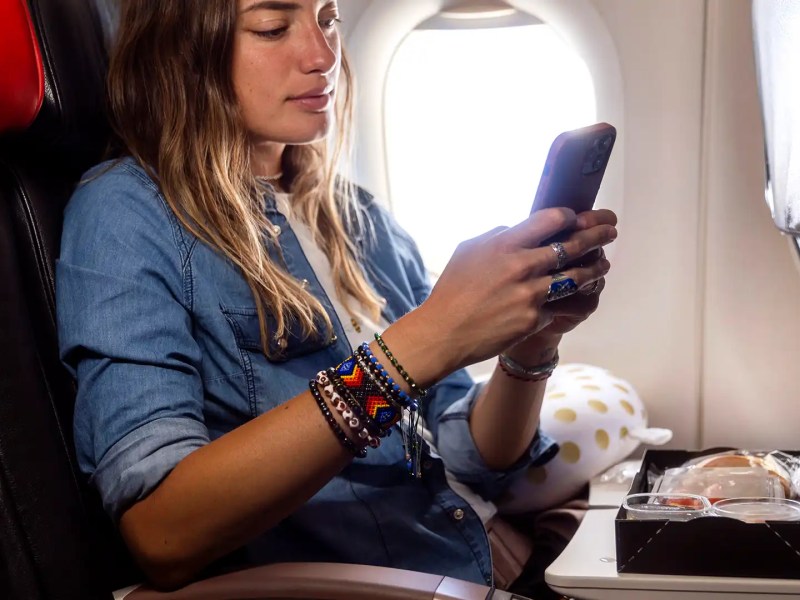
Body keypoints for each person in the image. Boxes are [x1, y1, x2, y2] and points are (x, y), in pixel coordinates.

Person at [55, 0, 617, 594]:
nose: (323, 56)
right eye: (273, 28)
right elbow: (161, 533)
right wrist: (422, 343)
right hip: (382, 584)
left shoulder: (359, 219)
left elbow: (472, 457)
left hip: (484, 553)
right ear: (183, 52)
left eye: (327, 19)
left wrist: (530, 345)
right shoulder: (125, 215)